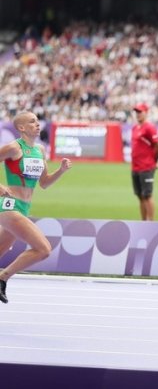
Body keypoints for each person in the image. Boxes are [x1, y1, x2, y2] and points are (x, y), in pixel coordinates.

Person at [0, 111, 72, 303]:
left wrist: (61, 171)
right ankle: (3, 278)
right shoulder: (13, 148)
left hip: (24, 207)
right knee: (43, 249)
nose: (38, 124)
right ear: (21, 128)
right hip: (9, 205)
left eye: (38, 121)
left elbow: (45, 183)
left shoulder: (40, 150)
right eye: (32, 122)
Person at [131, 103, 158, 221]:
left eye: (140, 112)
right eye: (136, 112)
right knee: (140, 196)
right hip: (135, 167)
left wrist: (154, 161)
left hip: (146, 167)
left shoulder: (149, 128)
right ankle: (143, 221)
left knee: (147, 195)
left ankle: (151, 222)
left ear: (146, 113)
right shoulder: (135, 128)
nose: (138, 114)